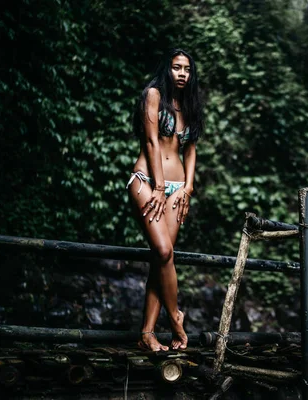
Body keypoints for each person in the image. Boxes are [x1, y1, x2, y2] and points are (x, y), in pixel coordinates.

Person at [126, 48, 203, 351]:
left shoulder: (190, 104)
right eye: (176, 67)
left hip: (177, 189)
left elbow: (191, 150)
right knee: (161, 249)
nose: (182, 73)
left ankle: (147, 333)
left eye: (187, 69)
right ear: (167, 69)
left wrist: (188, 188)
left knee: (163, 258)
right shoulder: (153, 95)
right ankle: (175, 318)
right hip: (147, 181)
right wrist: (159, 187)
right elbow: (150, 141)